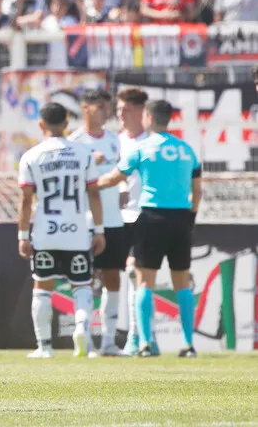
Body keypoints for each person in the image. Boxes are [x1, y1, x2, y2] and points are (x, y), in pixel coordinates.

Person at [98, 100, 202, 358]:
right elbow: (197, 191)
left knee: (145, 282)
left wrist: (90, 183)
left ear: (148, 118)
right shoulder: (187, 150)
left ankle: (145, 343)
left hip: (152, 218)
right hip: (180, 219)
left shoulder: (143, 147)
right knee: (182, 284)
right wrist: (190, 216)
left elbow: (114, 178)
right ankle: (188, 345)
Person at [18, 102, 105, 359]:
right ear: (67, 124)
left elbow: (24, 201)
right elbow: (94, 194)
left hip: (46, 231)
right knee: (81, 286)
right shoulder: (84, 154)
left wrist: (23, 235)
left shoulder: (31, 156)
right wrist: (98, 230)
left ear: (41, 125)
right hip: (77, 231)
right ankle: (81, 329)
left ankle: (44, 347)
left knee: (42, 287)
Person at [68, 89, 126, 357]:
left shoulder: (115, 140)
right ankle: (86, 339)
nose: (106, 112)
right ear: (85, 108)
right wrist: (90, 163)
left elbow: (122, 173)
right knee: (86, 280)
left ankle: (109, 341)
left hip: (113, 220)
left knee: (113, 278)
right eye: (100, 107)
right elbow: (69, 184)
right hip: (85, 222)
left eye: (107, 107)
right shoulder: (75, 142)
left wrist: (123, 189)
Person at [114, 87, 159, 356]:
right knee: (121, 277)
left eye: (127, 109)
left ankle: (137, 336)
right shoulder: (115, 142)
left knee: (137, 275)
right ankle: (142, 335)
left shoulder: (152, 143)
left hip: (145, 216)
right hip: (118, 218)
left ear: (142, 112)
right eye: (119, 109)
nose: (121, 114)